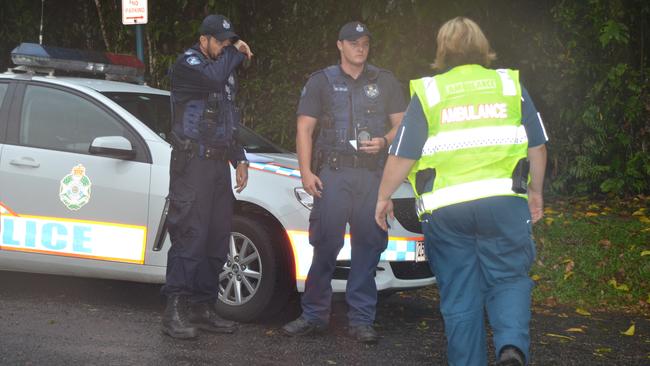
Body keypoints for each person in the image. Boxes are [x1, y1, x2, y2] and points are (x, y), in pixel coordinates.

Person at [375, 17, 548, 365]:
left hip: (447, 212)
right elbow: (538, 147)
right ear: (483, 47)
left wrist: (383, 197)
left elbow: (403, 155)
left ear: (443, 51)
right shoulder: (508, 85)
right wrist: (536, 191)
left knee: (460, 297)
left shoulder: (430, 92)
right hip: (503, 204)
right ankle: (511, 346)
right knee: (509, 278)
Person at [281, 21, 406, 344]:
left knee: (368, 248)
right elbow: (304, 129)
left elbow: (402, 127)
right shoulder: (321, 82)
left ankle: (361, 319)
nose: (360, 48)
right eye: (353, 43)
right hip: (333, 174)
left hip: (371, 176)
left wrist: (383, 141)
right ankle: (314, 315)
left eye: (364, 43)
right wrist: (306, 172)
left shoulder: (385, 81)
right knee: (325, 245)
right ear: (340, 45)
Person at [161, 14, 253, 340]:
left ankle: (202, 308)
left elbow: (228, 119)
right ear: (204, 40)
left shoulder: (224, 71)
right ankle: (175, 312)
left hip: (217, 167)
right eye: (222, 41)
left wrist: (239, 158)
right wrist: (237, 53)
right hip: (192, 165)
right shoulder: (190, 64)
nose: (227, 46)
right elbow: (213, 78)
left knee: (216, 239)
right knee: (190, 237)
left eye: (230, 41)